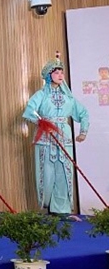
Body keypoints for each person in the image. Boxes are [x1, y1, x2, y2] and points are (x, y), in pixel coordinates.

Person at [22, 52, 89, 221]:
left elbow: (83, 113)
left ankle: (61, 209)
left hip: (64, 137)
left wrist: (83, 132)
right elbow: (29, 111)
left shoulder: (68, 97)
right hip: (46, 139)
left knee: (64, 172)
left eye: (61, 72)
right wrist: (42, 123)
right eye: (56, 72)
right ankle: (48, 206)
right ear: (49, 75)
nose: (60, 75)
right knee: (47, 172)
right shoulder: (41, 95)